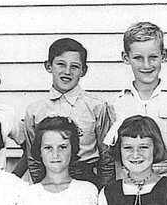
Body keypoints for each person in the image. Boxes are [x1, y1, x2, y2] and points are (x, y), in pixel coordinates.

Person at [105, 21, 167, 178]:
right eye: (138, 58)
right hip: (129, 179)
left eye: (153, 57)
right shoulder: (116, 104)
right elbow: (113, 155)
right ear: (126, 58)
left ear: (163, 55)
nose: (146, 65)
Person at [23, 37, 111, 186]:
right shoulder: (35, 110)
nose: (67, 72)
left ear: (84, 70)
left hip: (86, 177)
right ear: (48, 66)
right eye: (61, 64)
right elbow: (33, 158)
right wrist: (41, 187)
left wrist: (103, 190)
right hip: (49, 179)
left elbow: (106, 156)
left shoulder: (97, 106)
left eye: (75, 66)